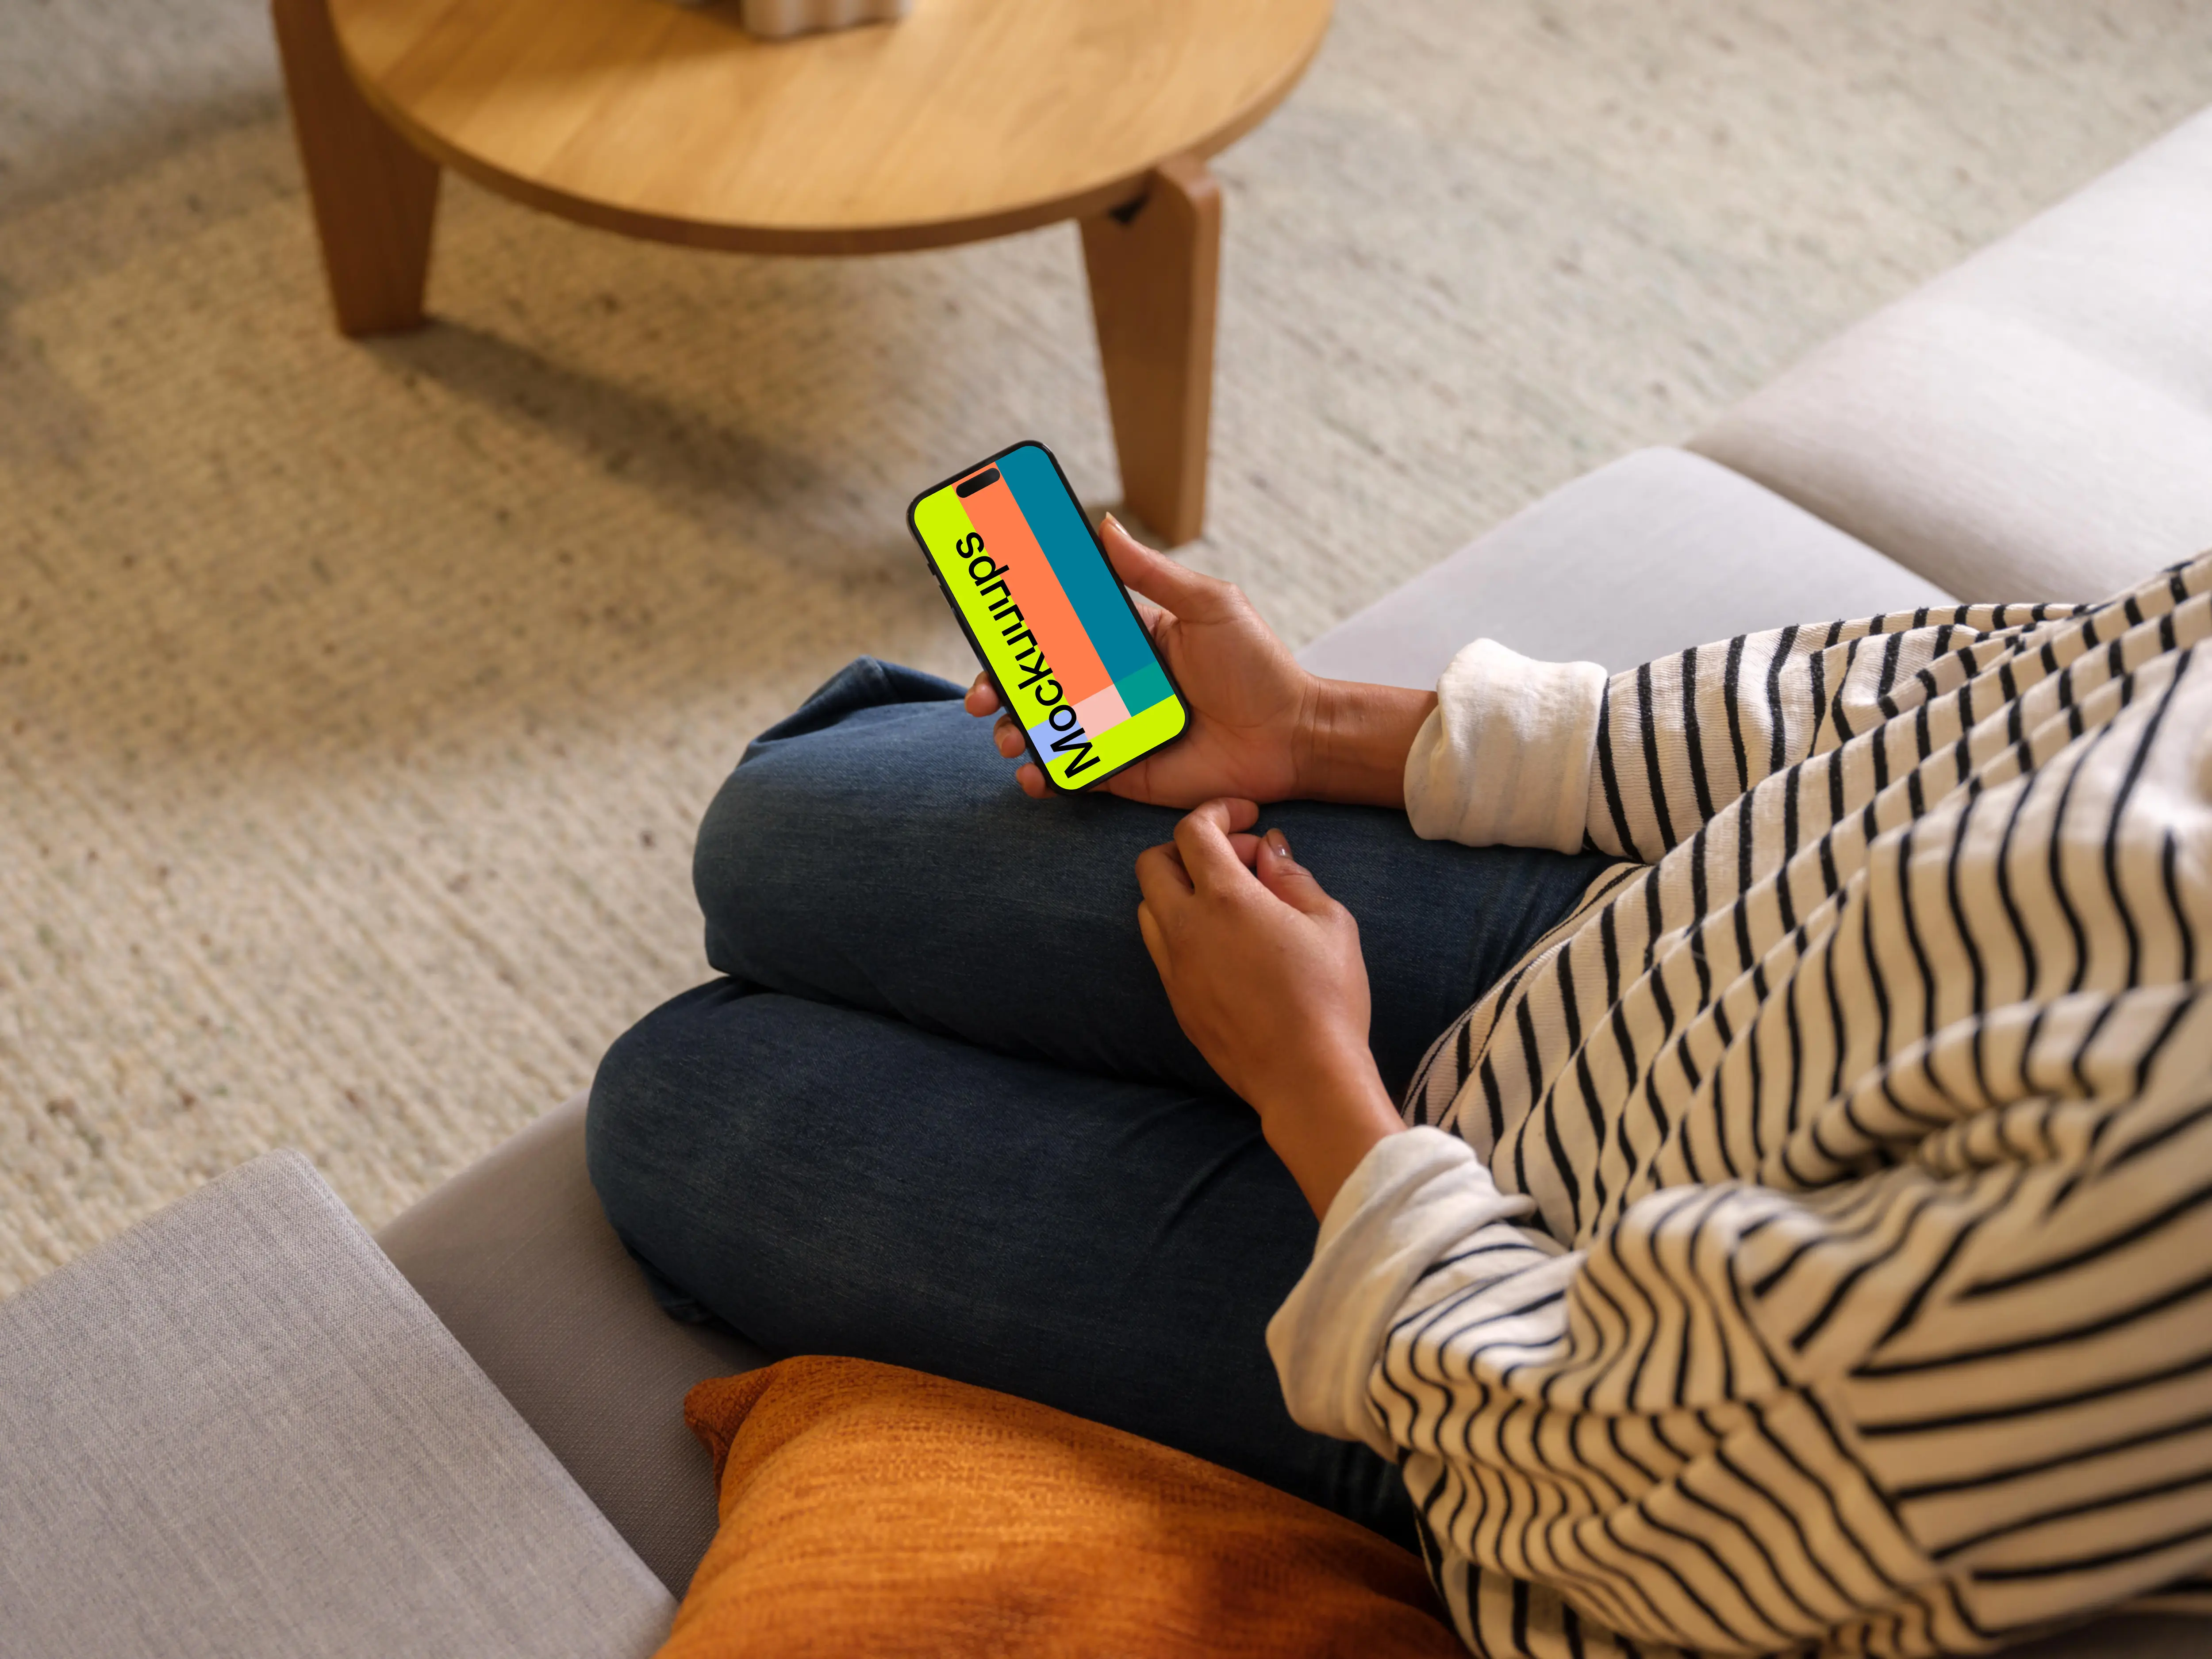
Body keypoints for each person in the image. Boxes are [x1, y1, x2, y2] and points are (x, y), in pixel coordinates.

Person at [588, 516, 2212, 1658]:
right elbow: (1990, 687)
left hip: (1516, 1374)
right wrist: (1331, 728)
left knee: (673, 1097)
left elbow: (1657, 1502)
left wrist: (1314, 1089)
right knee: (780, 826)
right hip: (1644, 945)